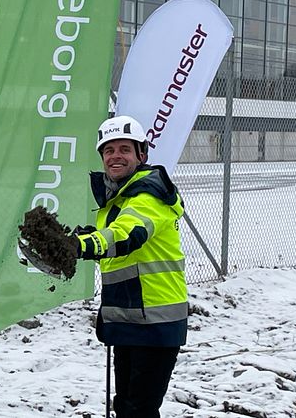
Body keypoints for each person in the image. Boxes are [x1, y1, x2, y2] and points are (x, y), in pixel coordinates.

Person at [72, 115, 188, 418]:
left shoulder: (148, 195)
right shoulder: (117, 199)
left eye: (125, 149)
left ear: (142, 154)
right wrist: (89, 239)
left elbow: (127, 235)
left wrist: (82, 246)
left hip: (155, 323)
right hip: (129, 320)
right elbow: (119, 253)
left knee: (139, 410)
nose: (115, 156)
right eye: (109, 150)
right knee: (126, 406)